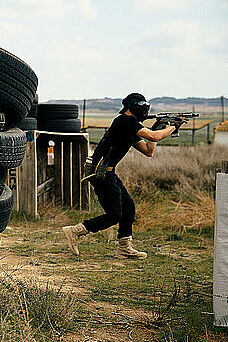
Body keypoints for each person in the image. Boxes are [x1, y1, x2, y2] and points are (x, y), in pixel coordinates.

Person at [62, 93, 187, 259]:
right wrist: (173, 127)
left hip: (107, 171)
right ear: (134, 106)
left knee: (128, 208)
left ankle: (124, 248)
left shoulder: (130, 127)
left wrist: (158, 127)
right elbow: (153, 136)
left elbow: (149, 151)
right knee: (114, 215)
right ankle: (75, 231)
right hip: (100, 171)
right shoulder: (124, 121)